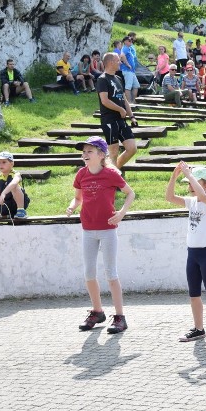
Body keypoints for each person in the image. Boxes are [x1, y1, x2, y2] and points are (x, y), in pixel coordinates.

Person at [66, 136, 135, 334]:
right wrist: (72, 206)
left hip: (107, 230)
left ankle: (120, 317)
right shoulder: (81, 174)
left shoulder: (111, 174)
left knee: (111, 274)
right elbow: (78, 197)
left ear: (101, 155)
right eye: (84, 151)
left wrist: (121, 213)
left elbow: (130, 193)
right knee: (89, 273)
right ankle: (97, 312)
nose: (85, 154)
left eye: (89, 151)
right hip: (88, 229)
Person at [167, 163, 206, 344]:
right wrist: (174, 176)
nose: (189, 186)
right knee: (194, 294)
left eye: (193, 183)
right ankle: (199, 329)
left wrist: (189, 174)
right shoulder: (191, 202)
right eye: (188, 184)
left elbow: (201, 195)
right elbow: (169, 197)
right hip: (192, 255)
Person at [96, 52, 137, 168]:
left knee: (132, 148)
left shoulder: (118, 78)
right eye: (118, 60)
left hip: (121, 120)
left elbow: (124, 99)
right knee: (113, 152)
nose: (120, 62)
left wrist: (132, 116)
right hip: (109, 120)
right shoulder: (102, 80)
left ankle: (113, 171)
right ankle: (113, 177)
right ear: (110, 62)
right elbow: (104, 100)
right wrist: (120, 109)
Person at [0, 151, 30, 220]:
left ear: (12, 164)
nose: (1, 165)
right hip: (6, 204)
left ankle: (21, 211)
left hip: (18, 202)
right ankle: (8, 216)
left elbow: (14, 183)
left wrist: (4, 193)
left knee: (14, 186)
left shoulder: (16, 174)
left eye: (4, 162)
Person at [120, 36, 140, 102]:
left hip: (132, 71)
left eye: (131, 40)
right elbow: (122, 56)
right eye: (129, 40)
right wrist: (127, 64)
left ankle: (133, 101)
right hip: (127, 70)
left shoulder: (129, 48)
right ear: (125, 41)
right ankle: (129, 103)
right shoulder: (125, 48)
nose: (131, 42)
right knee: (128, 87)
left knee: (136, 86)